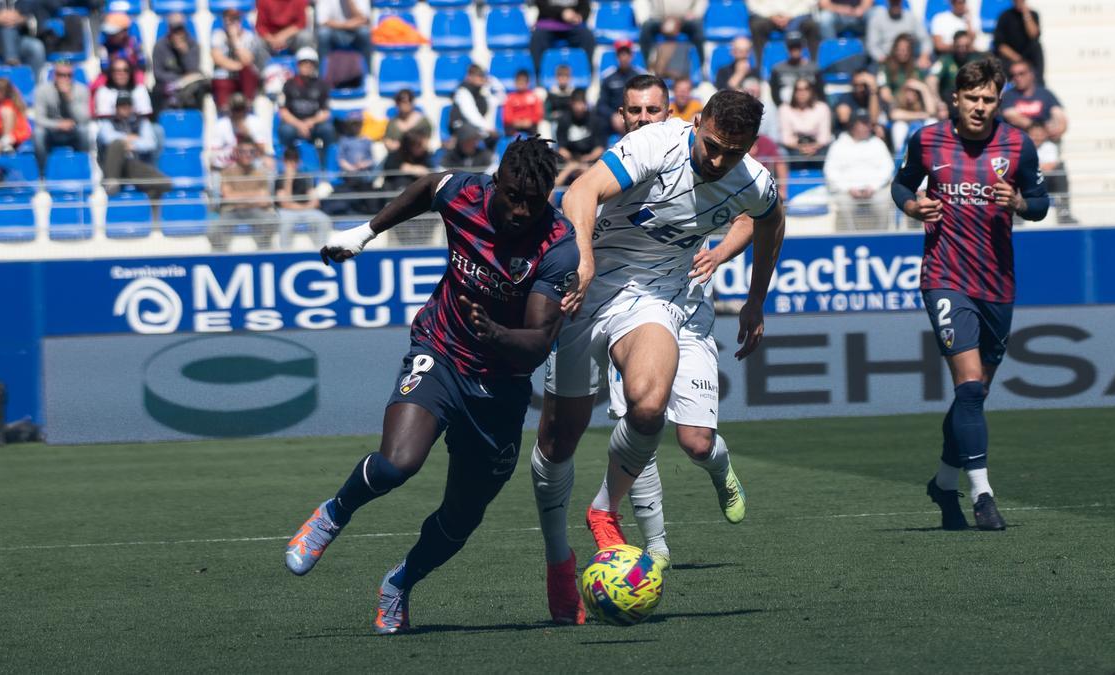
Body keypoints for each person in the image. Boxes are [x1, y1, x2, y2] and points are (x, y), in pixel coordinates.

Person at [284, 137, 579, 635]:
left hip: (501, 387)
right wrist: (365, 232)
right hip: (440, 351)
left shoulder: (557, 245)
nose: (519, 210)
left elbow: (539, 342)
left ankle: (401, 582)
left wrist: (498, 334)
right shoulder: (465, 194)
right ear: (495, 182)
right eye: (511, 195)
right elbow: (427, 187)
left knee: (462, 518)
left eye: (532, 201)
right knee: (398, 462)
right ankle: (334, 513)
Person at [533, 89, 785, 624]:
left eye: (733, 153)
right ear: (697, 123)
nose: (718, 161)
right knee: (558, 443)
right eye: (713, 145)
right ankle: (560, 561)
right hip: (584, 289)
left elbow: (770, 220)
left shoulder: (752, 181)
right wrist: (582, 259)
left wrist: (757, 298)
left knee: (647, 408)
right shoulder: (656, 143)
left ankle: (604, 509)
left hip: (652, 297)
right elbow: (581, 192)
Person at [586, 74, 760, 570]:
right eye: (634, 112)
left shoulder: (709, 153)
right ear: (622, 116)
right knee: (639, 421)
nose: (643, 119)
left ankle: (720, 467)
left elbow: (754, 213)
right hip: (630, 308)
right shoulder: (620, 163)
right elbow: (578, 204)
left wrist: (722, 251)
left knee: (695, 440)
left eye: (653, 111)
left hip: (690, 308)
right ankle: (656, 550)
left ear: (675, 115)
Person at [890, 57, 1049, 532]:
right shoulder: (927, 139)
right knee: (970, 387)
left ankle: (943, 482)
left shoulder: (1018, 144)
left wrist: (1019, 201)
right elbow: (901, 184)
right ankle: (983, 494)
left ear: (999, 101)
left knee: (972, 398)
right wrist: (913, 206)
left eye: (988, 100)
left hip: (998, 282)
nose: (979, 107)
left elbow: (1040, 204)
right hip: (945, 275)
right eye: (972, 98)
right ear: (955, 99)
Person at [1000, 60, 1072, 221]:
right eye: (1014, 75)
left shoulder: (1045, 95)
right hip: (1018, 151)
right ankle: (1015, 213)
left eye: (1021, 73)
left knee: (1060, 169)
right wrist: (1038, 129)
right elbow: (1011, 116)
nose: (1017, 78)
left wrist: (1042, 132)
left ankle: (1064, 212)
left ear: (1031, 74)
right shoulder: (1009, 96)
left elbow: (1061, 120)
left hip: (1044, 147)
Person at [825, 114, 896, 230]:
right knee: (844, 204)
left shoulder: (877, 143)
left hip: (875, 190)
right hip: (847, 192)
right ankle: (850, 239)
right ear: (853, 127)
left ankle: (881, 238)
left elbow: (888, 168)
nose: (867, 127)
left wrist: (873, 187)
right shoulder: (838, 145)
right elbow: (830, 171)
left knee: (884, 202)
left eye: (867, 124)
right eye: (862, 124)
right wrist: (848, 188)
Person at [97, 91, 169, 199]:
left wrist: (134, 145)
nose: (125, 108)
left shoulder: (142, 122)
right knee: (117, 144)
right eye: (121, 106)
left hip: (133, 164)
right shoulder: (108, 123)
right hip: (113, 166)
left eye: (128, 105)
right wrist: (129, 138)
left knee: (165, 183)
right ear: (116, 108)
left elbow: (150, 143)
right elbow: (107, 138)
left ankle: (152, 213)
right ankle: (111, 182)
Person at [213, 135, 276, 251]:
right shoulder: (227, 171)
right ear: (237, 153)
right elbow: (228, 198)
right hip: (232, 211)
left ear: (255, 153)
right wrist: (255, 196)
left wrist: (238, 197)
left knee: (271, 221)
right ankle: (221, 257)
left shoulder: (261, 173)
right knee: (213, 230)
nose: (247, 155)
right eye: (243, 151)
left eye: (251, 151)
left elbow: (265, 200)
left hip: (255, 210)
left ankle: (263, 253)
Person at [278, 48, 336, 164]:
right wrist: (299, 125)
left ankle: (325, 163)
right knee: (285, 131)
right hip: (294, 124)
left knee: (328, 130)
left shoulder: (322, 85)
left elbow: (326, 112)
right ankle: (288, 162)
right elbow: (283, 112)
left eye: (310, 63)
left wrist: (310, 122)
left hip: (313, 125)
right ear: (298, 65)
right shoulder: (288, 85)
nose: (307, 66)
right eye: (304, 63)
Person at [33, 61, 90, 170]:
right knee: (38, 133)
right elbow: (39, 119)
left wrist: (69, 99)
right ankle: (42, 172)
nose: (65, 78)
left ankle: (83, 168)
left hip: (73, 131)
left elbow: (84, 119)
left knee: (84, 130)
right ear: (54, 75)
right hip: (51, 131)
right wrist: (58, 124)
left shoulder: (81, 90)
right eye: (60, 75)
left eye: (68, 75)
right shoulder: (42, 90)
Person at [275, 145, 333, 249]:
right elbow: (285, 204)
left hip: (305, 210)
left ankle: (322, 251)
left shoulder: (305, 177)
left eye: (294, 161)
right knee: (286, 222)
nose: (292, 164)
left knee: (324, 219)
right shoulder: (279, 179)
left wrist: (303, 208)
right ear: (284, 162)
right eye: (289, 161)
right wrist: (288, 180)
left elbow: (315, 202)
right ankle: (285, 252)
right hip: (287, 212)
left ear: (298, 162)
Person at [151, 13, 208, 112]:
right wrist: (178, 80)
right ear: (169, 30)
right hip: (167, 84)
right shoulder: (159, 46)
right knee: (158, 90)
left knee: (201, 86)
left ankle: (197, 117)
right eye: (175, 30)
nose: (178, 33)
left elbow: (194, 70)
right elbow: (157, 73)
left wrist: (184, 53)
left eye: (180, 29)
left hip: (189, 85)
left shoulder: (193, 45)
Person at [211, 8, 264, 112]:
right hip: (225, 75)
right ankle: (224, 109)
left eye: (234, 19)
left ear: (239, 21)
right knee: (219, 77)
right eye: (227, 19)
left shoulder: (249, 36)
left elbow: (247, 60)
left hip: (244, 78)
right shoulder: (218, 35)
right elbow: (217, 59)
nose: (230, 23)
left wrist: (235, 39)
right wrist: (238, 66)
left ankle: (248, 104)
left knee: (249, 71)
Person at [640, 0, 707, 77]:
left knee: (697, 26)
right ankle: (648, 68)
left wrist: (695, 13)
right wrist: (648, 17)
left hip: (685, 19)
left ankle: (702, 67)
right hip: (660, 18)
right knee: (646, 27)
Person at [531, 0, 595, 81]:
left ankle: (584, 76)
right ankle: (539, 77)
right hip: (548, 23)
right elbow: (541, 6)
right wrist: (562, 13)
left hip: (572, 25)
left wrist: (580, 16)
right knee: (537, 37)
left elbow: (585, 7)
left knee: (587, 37)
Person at [209, 93, 274, 171]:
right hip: (229, 161)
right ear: (230, 109)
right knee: (214, 162)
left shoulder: (256, 122)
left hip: (251, 159)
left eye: (241, 109)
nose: (238, 113)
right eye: (236, 109)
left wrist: (247, 134)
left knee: (268, 161)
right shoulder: (221, 124)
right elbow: (214, 151)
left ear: (246, 108)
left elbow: (262, 150)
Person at [554, 89, 605, 186]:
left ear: (586, 104)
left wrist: (586, 159)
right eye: (576, 103)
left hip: (589, 161)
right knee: (555, 180)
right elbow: (561, 149)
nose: (579, 107)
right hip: (569, 160)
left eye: (581, 103)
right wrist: (573, 163)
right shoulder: (563, 120)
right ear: (571, 104)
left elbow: (600, 148)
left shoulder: (595, 120)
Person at [747, 0, 820, 66]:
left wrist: (791, 15)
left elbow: (810, 3)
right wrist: (771, 16)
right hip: (767, 16)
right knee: (757, 26)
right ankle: (758, 69)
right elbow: (753, 4)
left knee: (811, 26)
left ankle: (814, 67)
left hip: (796, 16)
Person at [778, 77, 831, 169]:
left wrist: (813, 147)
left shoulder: (822, 108)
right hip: (794, 148)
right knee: (783, 153)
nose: (802, 93)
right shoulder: (784, 109)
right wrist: (801, 147)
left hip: (818, 147)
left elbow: (824, 137)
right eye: (798, 89)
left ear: (811, 91)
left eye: (806, 89)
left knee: (829, 152)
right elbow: (786, 138)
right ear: (794, 92)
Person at [927, 30, 986, 111]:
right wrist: (938, 102)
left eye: (966, 46)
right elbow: (931, 79)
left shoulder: (977, 60)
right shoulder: (945, 60)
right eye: (959, 46)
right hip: (950, 101)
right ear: (954, 45)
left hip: (973, 100)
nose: (962, 49)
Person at [0, 0, 46, 76]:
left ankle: (35, 82)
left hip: (20, 40)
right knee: (6, 30)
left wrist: (22, 19)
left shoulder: (26, 2)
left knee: (37, 47)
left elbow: (36, 21)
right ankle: (12, 63)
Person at [1026, 123, 1073, 223]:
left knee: (1060, 170)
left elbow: (1050, 166)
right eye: (1034, 134)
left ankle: (1064, 212)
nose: (1037, 137)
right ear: (1028, 135)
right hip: (1027, 180)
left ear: (1045, 135)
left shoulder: (1050, 146)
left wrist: (1034, 168)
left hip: (1045, 180)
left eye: (1040, 134)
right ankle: (1016, 215)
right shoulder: (1022, 146)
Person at [597, 40, 644, 135]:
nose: (624, 58)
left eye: (626, 54)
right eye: (621, 54)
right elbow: (601, 104)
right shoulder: (608, 77)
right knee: (599, 122)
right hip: (614, 119)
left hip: (636, 117)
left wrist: (632, 117)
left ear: (631, 56)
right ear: (617, 57)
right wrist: (613, 116)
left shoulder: (641, 76)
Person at [866, 0, 932, 68]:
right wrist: (883, 59)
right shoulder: (877, 19)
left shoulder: (911, 17)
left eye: (897, 2)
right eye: (893, 2)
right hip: (886, 59)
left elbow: (925, 39)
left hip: (909, 59)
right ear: (888, 2)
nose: (895, 5)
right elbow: (872, 45)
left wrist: (924, 56)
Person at [992, 0, 1043, 83]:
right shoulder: (1005, 16)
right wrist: (1018, 58)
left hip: (1029, 57)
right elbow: (999, 45)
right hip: (1009, 57)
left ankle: (1038, 84)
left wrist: (1026, 15)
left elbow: (1034, 35)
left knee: (1037, 47)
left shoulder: (1033, 14)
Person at [768, 31, 823, 107]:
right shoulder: (777, 69)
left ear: (802, 47)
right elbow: (775, 95)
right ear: (787, 48)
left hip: (811, 108)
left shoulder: (814, 68)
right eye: (791, 47)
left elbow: (821, 94)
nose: (795, 50)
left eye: (797, 46)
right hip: (786, 109)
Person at [450, 64, 500, 145]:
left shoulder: (482, 93)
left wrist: (492, 80)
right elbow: (471, 115)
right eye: (478, 75)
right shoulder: (462, 92)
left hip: (476, 129)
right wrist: (489, 128)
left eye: (483, 75)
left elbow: (501, 98)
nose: (482, 78)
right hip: (461, 128)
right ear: (469, 77)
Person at [0, 78, 32, 157]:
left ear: (3, 93)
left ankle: (5, 145)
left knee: (6, 111)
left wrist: (11, 138)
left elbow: (23, 131)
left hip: (14, 140)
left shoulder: (13, 106)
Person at [834, 67, 888, 138]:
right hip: (848, 137)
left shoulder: (873, 98)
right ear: (852, 83)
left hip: (868, 137)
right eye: (856, 85)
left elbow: (874, 119)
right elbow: (844, 118)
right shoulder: (845, 98)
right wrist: (868, 125)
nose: (860, 88)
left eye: (864, 85)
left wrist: (873, 91)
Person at [877, 33, 926, 106]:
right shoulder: (885, 67)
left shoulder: (914, 67)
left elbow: (920, 89)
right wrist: (899, 102)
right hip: (894, 106)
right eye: (900, 49)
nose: (903, 52)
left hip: (913, 106)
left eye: (906, 49)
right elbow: (885, 93)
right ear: (895, 50)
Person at [383, 89, 432, 154]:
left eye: (408, 101)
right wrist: (392, 146)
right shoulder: (392, 122)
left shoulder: (423, 121)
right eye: (401, 101)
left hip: (417, 157)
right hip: (397, 156)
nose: (405, 104)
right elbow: (387, 140)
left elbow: (426, 142)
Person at [502, 70, 544, 137]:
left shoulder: (534, 97)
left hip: (530, 125)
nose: (521, 83)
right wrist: (516, 122)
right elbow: (506, 116)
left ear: (527, 83)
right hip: (514, 125)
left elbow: (538, 114)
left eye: (523, 81)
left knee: (536, 131)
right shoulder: (510, 98)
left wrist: (529, 121)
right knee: (508, 129)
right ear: (515, 82)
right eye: (518, 81)